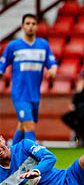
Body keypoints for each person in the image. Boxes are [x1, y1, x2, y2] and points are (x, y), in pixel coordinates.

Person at [0, 13, 58, 145]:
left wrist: (52, 71)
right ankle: (31, 160)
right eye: (27, 24)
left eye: (33, 24)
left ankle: (11, 157)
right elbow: (1, 67)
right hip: (20, 94)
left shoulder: (43, 45)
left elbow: (52, 64)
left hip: (35, 95)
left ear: (37, 26)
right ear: (22, 26)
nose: (30, 27)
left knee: (22, 125)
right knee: (29, 126)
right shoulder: (13, 46)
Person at [61, 69, 84, 146]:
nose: (83, 79)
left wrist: (78, 106)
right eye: (82, 77)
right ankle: (80, 133)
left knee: (80, 117)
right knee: (65, 117)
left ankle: (80, 136)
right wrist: (78, 92)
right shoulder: (80, 87)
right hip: (79, 110)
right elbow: (75, 101)